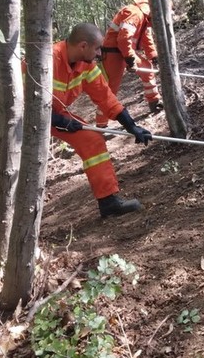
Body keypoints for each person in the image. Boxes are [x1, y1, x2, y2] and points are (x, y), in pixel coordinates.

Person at [48, 23, 152, 218]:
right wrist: (57, 120)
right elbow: (24, 103)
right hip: (26, 120)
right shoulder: (48, 59)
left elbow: (106, 98)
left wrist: (131, 126)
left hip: (56, 114)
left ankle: (108, 202)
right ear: (83, 46)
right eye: (96, 49)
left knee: (92, 139)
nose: (98, 54)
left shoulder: (87, 66)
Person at [96, 0, 162, 128]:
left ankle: (155, 102)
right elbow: (123, 38)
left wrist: (153, 55)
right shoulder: (135, 14)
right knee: (110, 89)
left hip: (124, 51)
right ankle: (101, 125)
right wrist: (130, 59)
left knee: (147, 69)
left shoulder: (145, 18)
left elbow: (146, 37)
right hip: (112, 53)